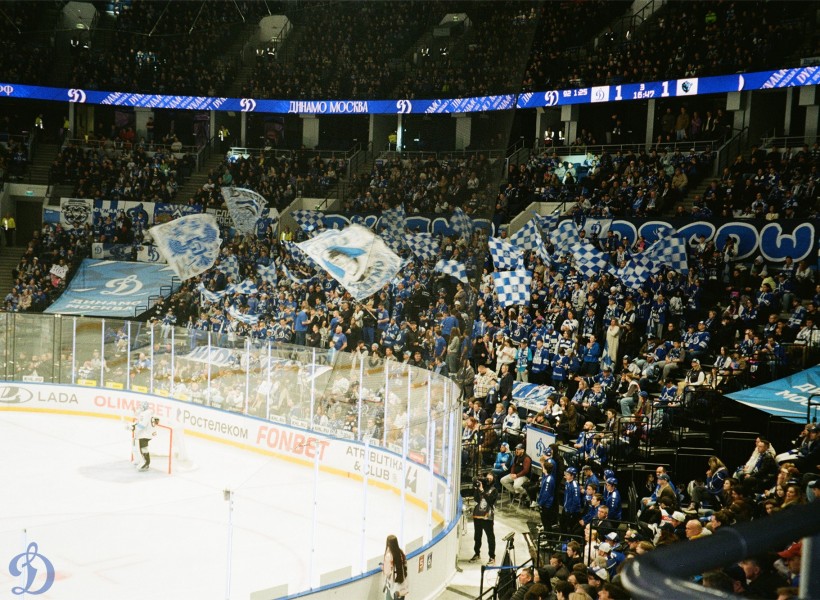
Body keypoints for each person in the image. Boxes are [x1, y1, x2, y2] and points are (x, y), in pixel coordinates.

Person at [470, 472, 498, 565]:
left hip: (487, 516)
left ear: (493, 480)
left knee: (490, 537)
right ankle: (477, 553)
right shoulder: (481, 487)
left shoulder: (494, 490)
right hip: (477, 514)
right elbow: (477, 499)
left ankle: (492, 557)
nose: (488, 480)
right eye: (487, 478)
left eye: (490, 479)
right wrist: (477, 489)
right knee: (477, 536)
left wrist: (482, 491)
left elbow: (490, 501)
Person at [382, 534, 409, 600]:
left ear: (388, 544)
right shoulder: (401, 553)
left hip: (392, 588)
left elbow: (387, 572)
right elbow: (405, 566)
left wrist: (382, 567)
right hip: (401, 587)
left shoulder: (389, 556)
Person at [132, 401, 156, 471]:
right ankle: (141, 461)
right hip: (147, 433)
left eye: (141, 406)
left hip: (144, 434)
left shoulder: (145, 414)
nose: (140, 407)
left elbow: (142, 425)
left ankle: (145, 463)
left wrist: (134, 428)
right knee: (140, 447)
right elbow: (140, 420)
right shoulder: (147, 413)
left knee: (143, 448)